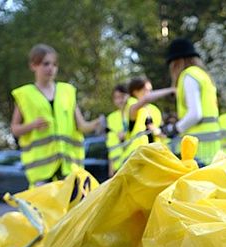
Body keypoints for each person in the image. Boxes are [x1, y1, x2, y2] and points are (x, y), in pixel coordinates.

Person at [10, 44, 103, 187]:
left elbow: (82, 126)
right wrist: (32, 125)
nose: (51, 68)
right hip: (41, 170)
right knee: (44, 209)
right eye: (45, 64)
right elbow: (15, 129)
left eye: (54, 64)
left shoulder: (67, 91)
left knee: (73, 208)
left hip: (69, 166)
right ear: (33, 66)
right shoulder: (25, 95)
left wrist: (97, 123)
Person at [164, 38, 220, 164]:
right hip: (211, 147)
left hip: (196, 149)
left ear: (177, 62)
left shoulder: (189, 76)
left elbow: (195, 114)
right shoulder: (203, 76)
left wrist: (174, 129)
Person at [119, 77, 166, 163]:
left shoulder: (154, 110)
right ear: (135, 91)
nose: (149, 93)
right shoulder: (131, 104)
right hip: (135, 155)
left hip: (152, 155)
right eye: (145, 90)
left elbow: (159, 130)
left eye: (150, 90)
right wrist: (170, 90)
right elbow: (144, 101)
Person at [105, 84, 128, 177]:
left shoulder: (134, 113)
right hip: (117, 168)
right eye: (116, 97)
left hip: (132, 164)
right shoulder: (111, 118)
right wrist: (111, 170)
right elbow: (111, 146)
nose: (119, 100)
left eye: (122, 96)